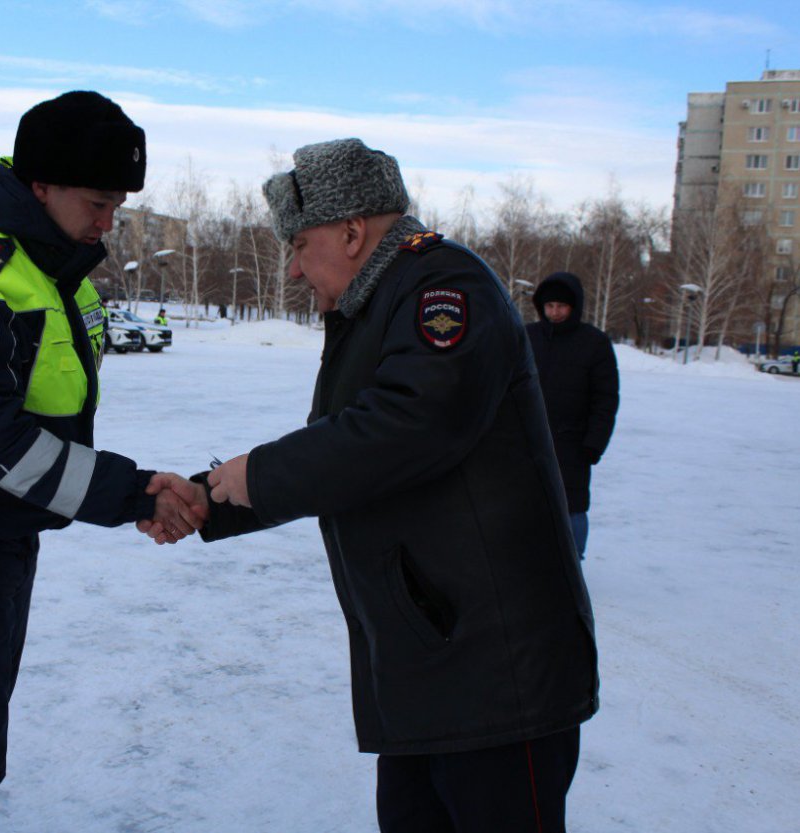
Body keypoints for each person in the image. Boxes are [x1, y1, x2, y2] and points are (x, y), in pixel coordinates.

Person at [143, 139, 598, 833]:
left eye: (299, 245)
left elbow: (406, 427)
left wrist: (250, 476)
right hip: (429, 671)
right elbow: (345, 459)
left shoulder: (446, 289)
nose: (293, 269)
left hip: (497, 682)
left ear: (353, 231)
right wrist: (213, 499)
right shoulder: (374, 304)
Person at [0, 91, 204, 833]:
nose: (106, 223)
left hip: (2, 530)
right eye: (96, 202)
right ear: (41, 188)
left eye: (115, 205)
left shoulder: (55, 278)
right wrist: (136, 494)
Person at [526, 272, 620, 558]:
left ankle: (571, 561)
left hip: (572, 442)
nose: (555, 312)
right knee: (527, 502)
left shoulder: (594, 343)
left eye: (561, 306)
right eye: (550, 306)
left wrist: (594, 443)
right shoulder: (526, 336)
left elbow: (605, 399)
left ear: (574, 307)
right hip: (527, 438)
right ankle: (529, 560)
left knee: (572, 506)